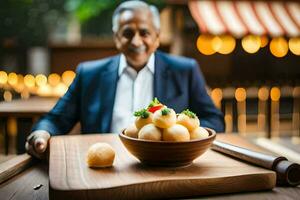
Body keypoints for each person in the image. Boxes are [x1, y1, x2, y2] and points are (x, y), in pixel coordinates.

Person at [26, 0, 225, 159]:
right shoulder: (89, 74)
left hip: (166, 166)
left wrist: (183, 138)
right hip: (105, 166)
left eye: (144, 33)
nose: (136, 41)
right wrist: (41, 134)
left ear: (156, 37)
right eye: (128, 33)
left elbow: (214, 119)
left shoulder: (185, 70)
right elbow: (56, 119)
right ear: (116, 37)